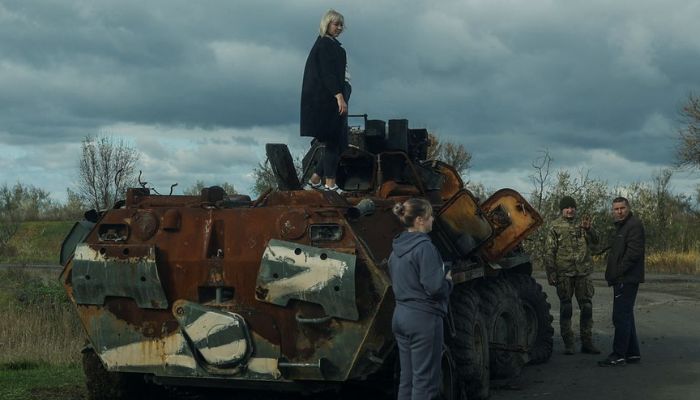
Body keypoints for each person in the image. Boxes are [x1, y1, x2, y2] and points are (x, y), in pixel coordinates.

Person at [389, 198, 453, 400]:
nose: (433, 219)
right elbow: (434, 288)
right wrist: (448, 281)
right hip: (423, 319)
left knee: (407, 381)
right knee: (425, 384)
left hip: (400, 317)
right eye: (430, 216)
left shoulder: (396, 250)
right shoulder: (424, 248)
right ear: (419, 220)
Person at [300, 9, 350, 194]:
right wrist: (338, 95)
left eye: (340, 25)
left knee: (340, 143)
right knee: (332, 140)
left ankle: (314, 180)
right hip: (328, 99)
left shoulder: (333, 45)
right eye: (335, 24)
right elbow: (327, 73)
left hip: (336, 95)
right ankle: (330, 184)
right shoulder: (324, 45)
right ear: (326, 24)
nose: (339, 28)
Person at [546, 195, 601, 355]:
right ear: (562, 209)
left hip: (583, 272)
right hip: (564, 273)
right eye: (567, 208)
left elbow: (596, 241)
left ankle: (587, 342)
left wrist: (589, 229)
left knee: (587, 307)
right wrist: (551, 272)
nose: (570, 210)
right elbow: (549, 251)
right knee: (566, 308)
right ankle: (569, 343)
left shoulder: (583, 224)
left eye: (572, 207)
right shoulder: (555, 226)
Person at [598, 196, 645, 367]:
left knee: (620, 317)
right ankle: (632, 353)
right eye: (616, 209)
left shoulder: (634, 226)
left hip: (626, 279)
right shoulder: (621, 227)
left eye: (622, 208)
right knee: (626, 315)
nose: (619, 211)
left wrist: (618, 272)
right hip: (623, 278)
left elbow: (633, 253)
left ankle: (618, 355)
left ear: (628, 207)